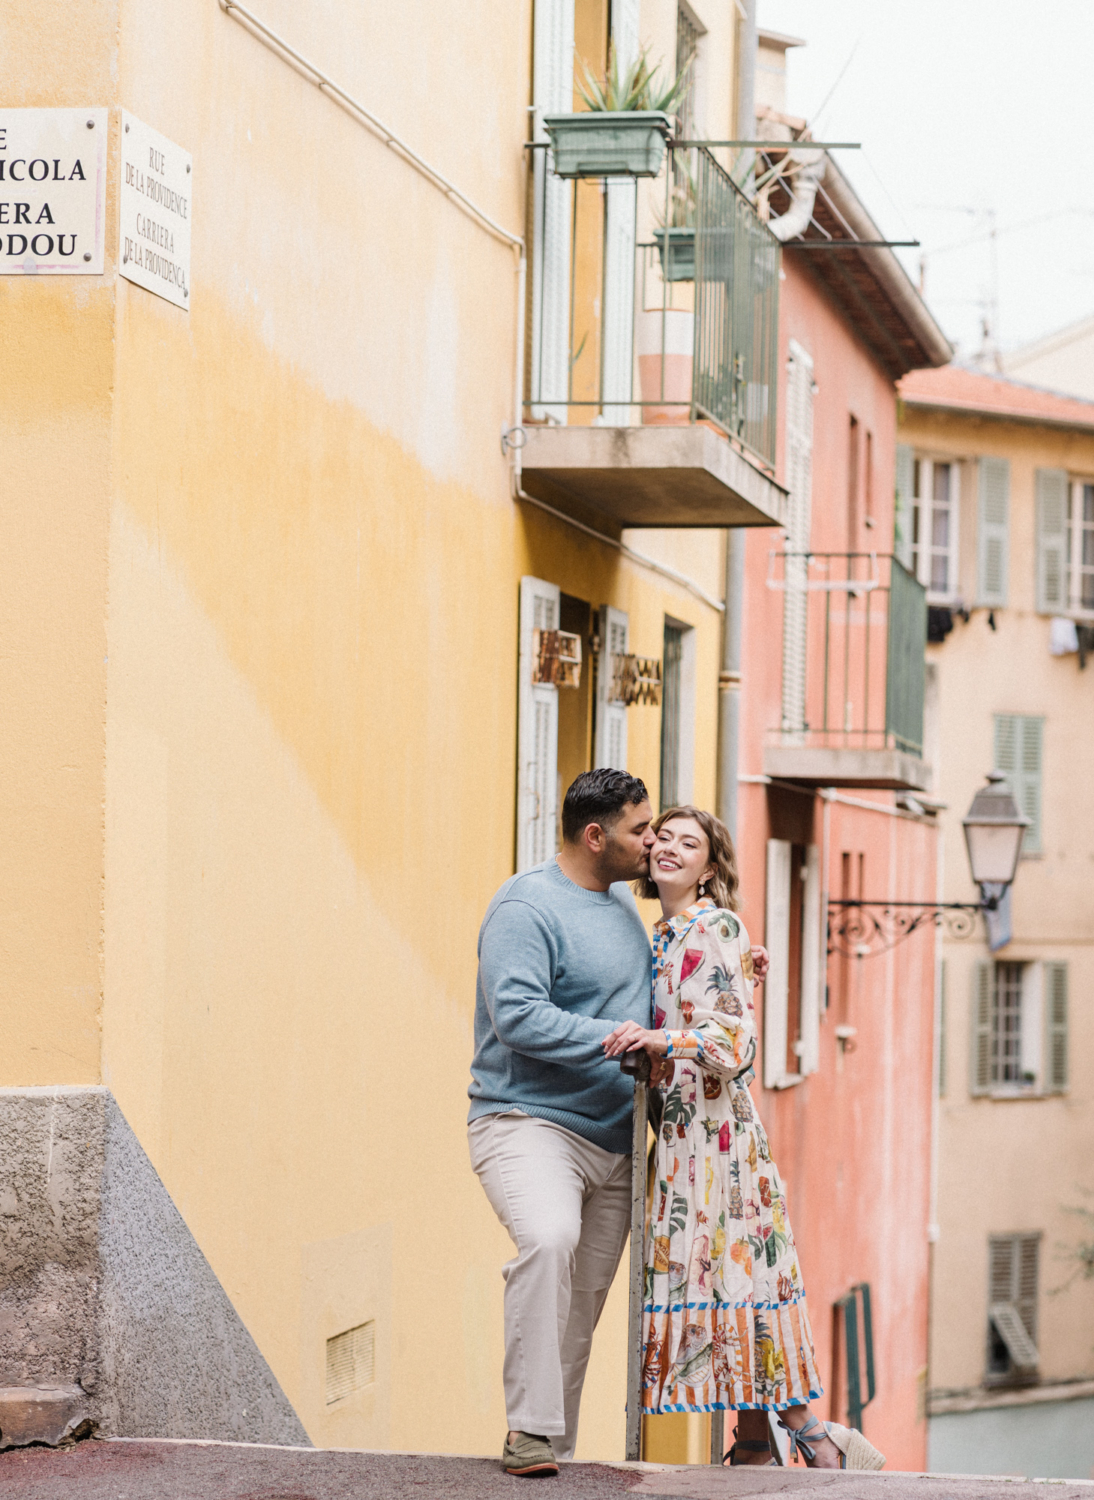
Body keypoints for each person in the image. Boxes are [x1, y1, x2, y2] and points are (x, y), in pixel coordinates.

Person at [603, 805, 886, 1472]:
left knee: (742, 1277)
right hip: (682, 1138)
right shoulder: (667, 934)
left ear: (711, 866)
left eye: (688, 842)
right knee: (728, 1279)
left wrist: (660, 1038)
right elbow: (711, 1000)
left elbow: (737, 1045)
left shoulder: (716, 924)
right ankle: (759, 1441)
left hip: (720, 1141)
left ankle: (813, 1439)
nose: (669, 848)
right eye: (662, 838)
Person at [468, 768, 656, 1477]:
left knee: (579, 1313)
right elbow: (515, 1016)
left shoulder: (621, 910)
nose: (651, 841)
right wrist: (617, 1038)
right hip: (528, 1124)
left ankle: (552, 1456)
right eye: (640, 830)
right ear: (595, 834)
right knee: (547, 1241)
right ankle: (529, 1434)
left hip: (616, 1142)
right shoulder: (526, 906)